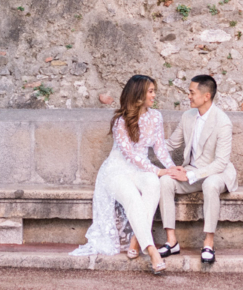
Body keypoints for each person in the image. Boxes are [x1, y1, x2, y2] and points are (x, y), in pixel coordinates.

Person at [70, 74, 177, 274]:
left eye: (154, 91)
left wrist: (171, 169)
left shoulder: (156, 116)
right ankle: (152, 250)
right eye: (150, 91)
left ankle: (136, 239)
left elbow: (160, 147)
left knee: (154, 183)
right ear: (139, 94)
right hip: (116, 170)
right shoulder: (121, 121)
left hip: (141, 170)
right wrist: (159, 170)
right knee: (133, 197)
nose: (154, 95)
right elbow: (130, 156)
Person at [156, 74, 236, 266]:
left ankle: (208, 243)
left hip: (218, 173)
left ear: (206, 96)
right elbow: (172, 143)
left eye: (192, 93)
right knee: (165, 180)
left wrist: (189, 175)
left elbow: (220, 163)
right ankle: (171, 241)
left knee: (210, 184)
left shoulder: (223, 122)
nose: (188, 96)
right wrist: (144, 142)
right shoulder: (188, 116)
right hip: (192, 170)